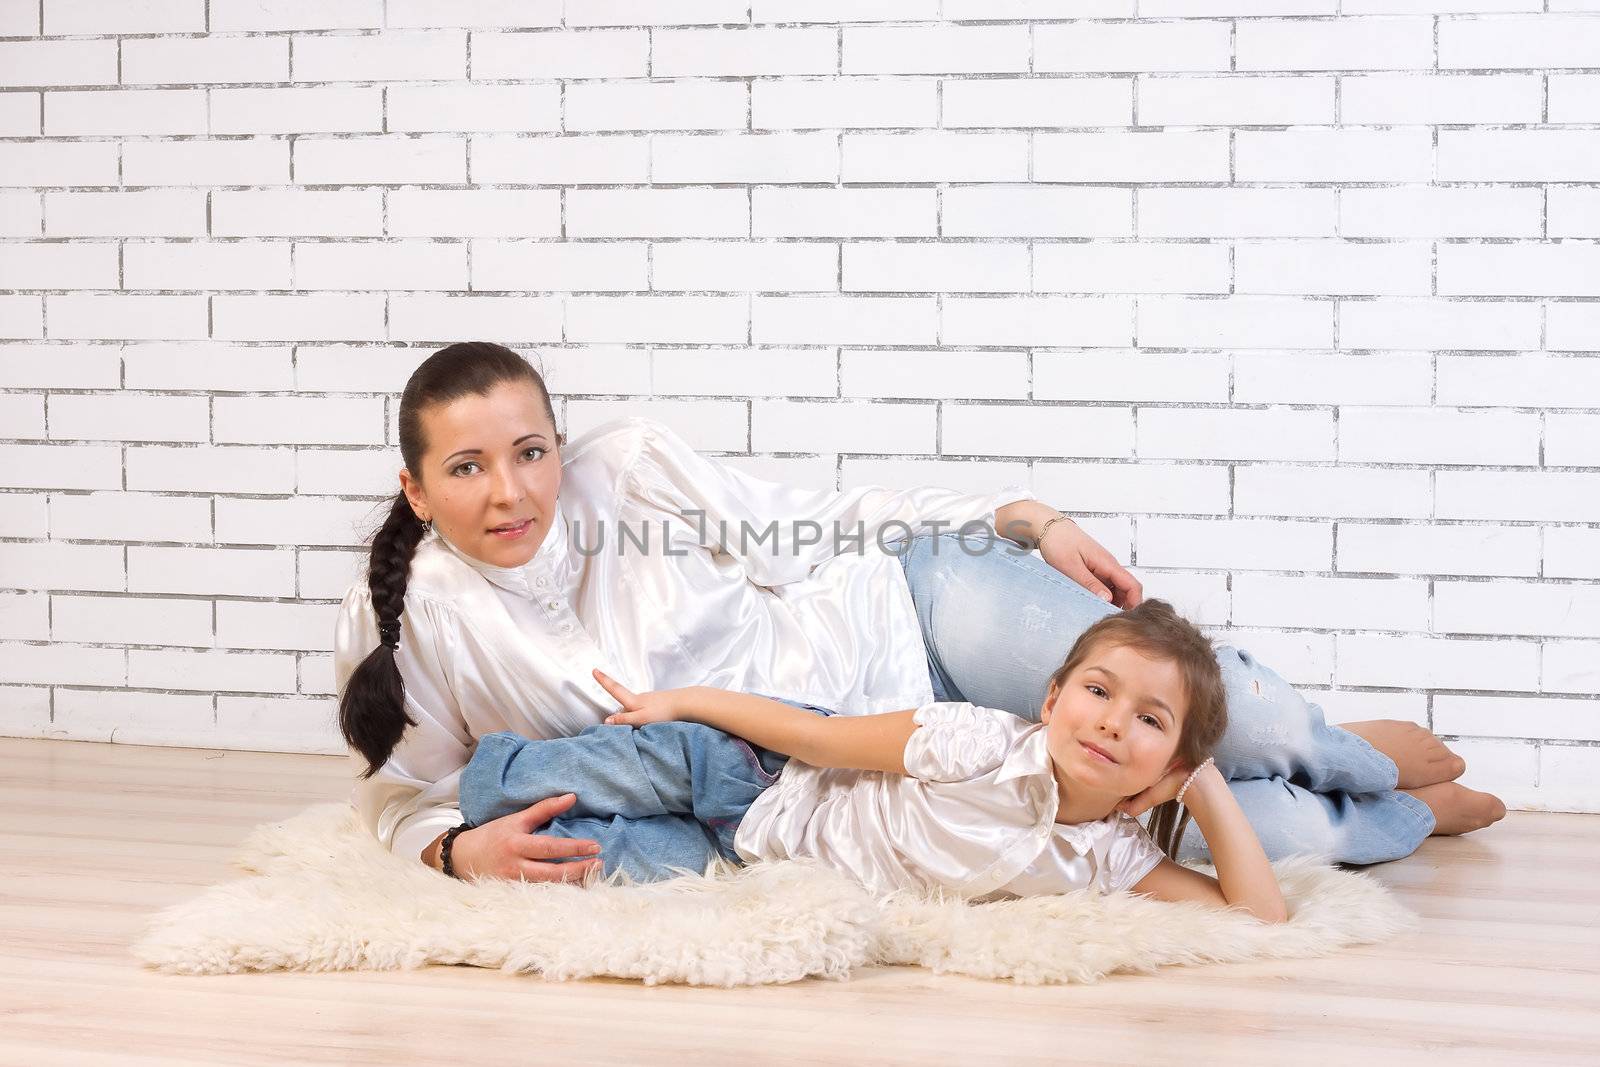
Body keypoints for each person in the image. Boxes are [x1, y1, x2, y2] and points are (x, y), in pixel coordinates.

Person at [333, 341, 1505, 885]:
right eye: (472, 467)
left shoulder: (628, 467)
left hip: (911, 610)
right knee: (1262, 841)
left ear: (558, 440)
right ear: (416, 487)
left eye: (530, 451)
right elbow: (398, 793)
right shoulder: (416, 619)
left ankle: (1337, 748)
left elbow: (827, 520)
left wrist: (1018, 515)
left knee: (1224, 721)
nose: (512, 490)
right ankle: (1392, 809)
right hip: (867, 769)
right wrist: (451, 849)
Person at [457, 600, 1290, 923]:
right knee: (533, 783)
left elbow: (1260, 916)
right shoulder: (977, 741)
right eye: (1099, 692)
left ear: (1169, 764)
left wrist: (1203, 781)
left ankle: (491, 835)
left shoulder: (1109, 856)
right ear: (1051, 699)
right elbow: (814, 738)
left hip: (746, 857)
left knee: (573, 859)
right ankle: (478, 779)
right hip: (758, 773)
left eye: (1149, 718)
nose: (1112, 723)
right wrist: (686, 701)